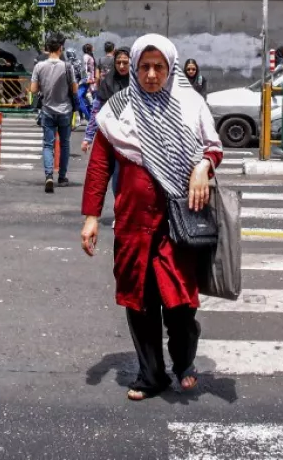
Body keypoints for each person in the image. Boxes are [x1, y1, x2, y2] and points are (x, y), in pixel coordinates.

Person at [80, 35, 223, 401]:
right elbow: (99, 166)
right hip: (133, 224)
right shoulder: (117, 111)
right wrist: (91, 217)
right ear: (133, 67)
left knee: (181, 304)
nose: (151, 74)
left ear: (171, 67)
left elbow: (211, 147)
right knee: (139, 302)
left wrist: (203, 167)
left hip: (180, 223)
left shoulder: (189, 103)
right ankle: (151, 375)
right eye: (144, 66)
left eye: (159, 67)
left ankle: (184, 361)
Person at [31, 36, 77, 194]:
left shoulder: (39, 66)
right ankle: (62, 177)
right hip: (65, 110)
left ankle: (49, 175)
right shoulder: (67, 66)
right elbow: (75, 89)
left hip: (47, 110)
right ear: (60, 49)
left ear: (47, 49)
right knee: (64, 144)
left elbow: (33, 90)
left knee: (48, 145)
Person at [82, 47, 130, 153]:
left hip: (131, 140)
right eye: (118, 62)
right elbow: (96, 111)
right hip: (110, 135)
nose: (121, 66)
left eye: (125, 62)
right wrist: (88, 137)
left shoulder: (138, 84)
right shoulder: (108, 83)